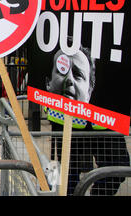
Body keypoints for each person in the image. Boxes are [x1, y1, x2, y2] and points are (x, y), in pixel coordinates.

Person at [45, 42, 130, 195]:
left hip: (103, 121)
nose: (69, 79)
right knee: (66, 175)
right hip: (66, 120)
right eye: (63, 71)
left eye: (77, 74)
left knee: (118, 167)